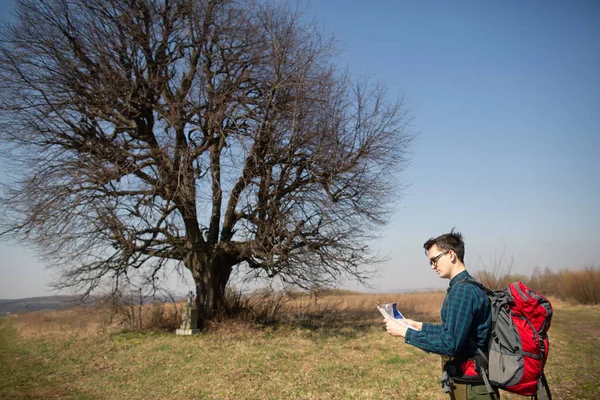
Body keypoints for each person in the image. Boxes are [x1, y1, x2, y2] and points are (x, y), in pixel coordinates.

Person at [384, 229, 498, 400]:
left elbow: (449, 344)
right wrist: (420, 326)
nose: (432, 266)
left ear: (451, 255)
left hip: (473, 388)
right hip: (470, 382)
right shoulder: (466, 286)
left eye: (434, 260)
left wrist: (405, 333)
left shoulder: (463, 291)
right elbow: (454, 332)